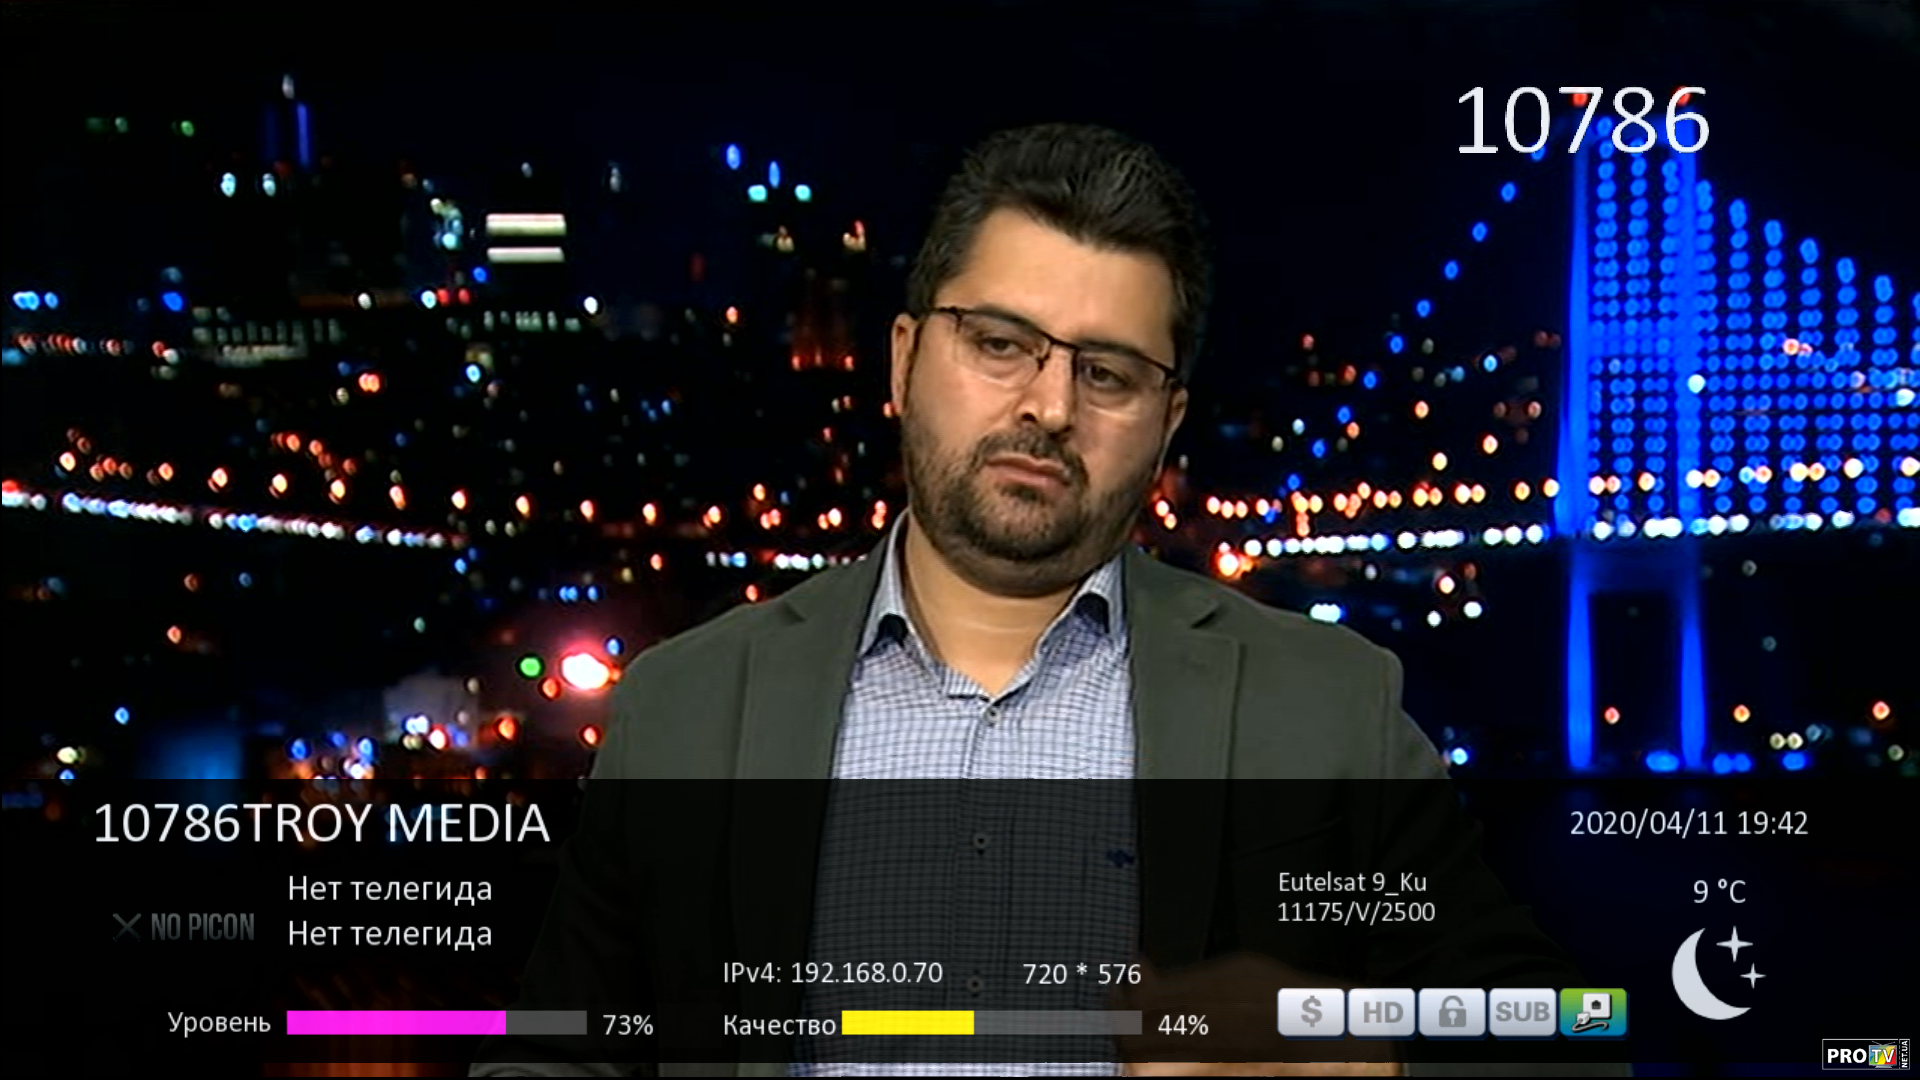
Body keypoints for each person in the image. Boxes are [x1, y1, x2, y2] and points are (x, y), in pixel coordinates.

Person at [473, 123, 1627, 1078]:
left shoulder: (1330, 708)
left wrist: (1360, 1058)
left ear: (1167, 426)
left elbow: (1561, 1039)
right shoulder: (686, 707)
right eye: (1000, 344)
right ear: (902, 360)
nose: (1050, 406)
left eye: (1108, 372)